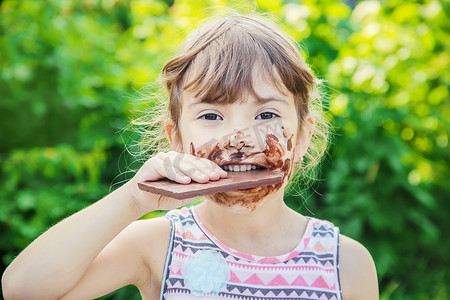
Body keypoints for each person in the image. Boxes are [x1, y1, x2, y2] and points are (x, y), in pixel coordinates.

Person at [2, 13, 378, 300]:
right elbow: (22, 289)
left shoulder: (345, 262)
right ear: (177, 138)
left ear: (301, 137)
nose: (239, 139)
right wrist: (135, 198)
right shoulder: (158, 243)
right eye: (211, 116)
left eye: (266, 115)